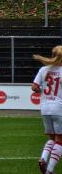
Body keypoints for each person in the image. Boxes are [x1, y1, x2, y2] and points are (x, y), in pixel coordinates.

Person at [32, 45, 62, 174]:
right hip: (59, 107)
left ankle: (43, 158)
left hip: (45, 108)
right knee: (60, 140)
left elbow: (34, 87)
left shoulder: (43, 69)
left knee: (51, 138)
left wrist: (43, 92)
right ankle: (50, 170)